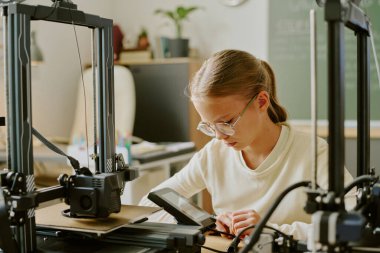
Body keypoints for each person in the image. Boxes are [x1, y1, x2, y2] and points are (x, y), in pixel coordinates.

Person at [139, 49, 355, 241]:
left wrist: (271, 231)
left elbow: (352, 225)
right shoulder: (213, 155)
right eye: (209, 126)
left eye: (227, 123)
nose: (219, 137)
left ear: (261, 101)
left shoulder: (313, 152)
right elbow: (146, 208)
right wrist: (206, 223)